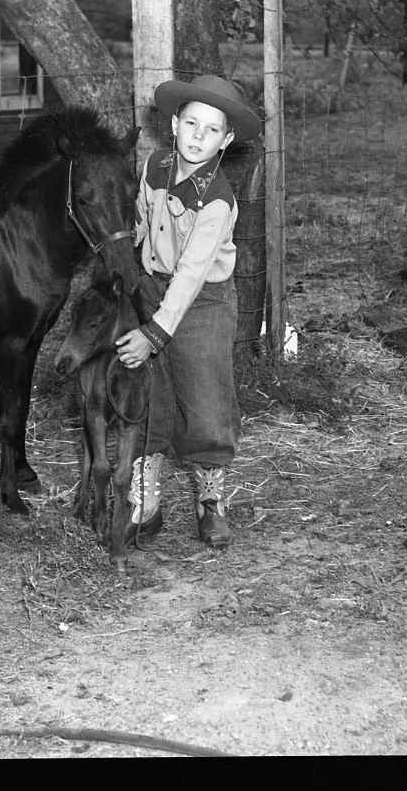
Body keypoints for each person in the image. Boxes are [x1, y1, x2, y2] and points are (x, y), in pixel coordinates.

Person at [115, 74, 261, 549]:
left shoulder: (217, 199)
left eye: (212, 129)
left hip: (203, 301)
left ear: (227, 139)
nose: (199, 136)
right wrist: (127, 276)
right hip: (155, 291)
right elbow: (140, 223)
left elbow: (193, 273)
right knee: (151, 393)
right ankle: (146, 495)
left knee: (205, 397)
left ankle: (211, 497)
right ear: (174, 124)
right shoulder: (155, 165)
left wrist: (154, 334)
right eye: (191, 123)